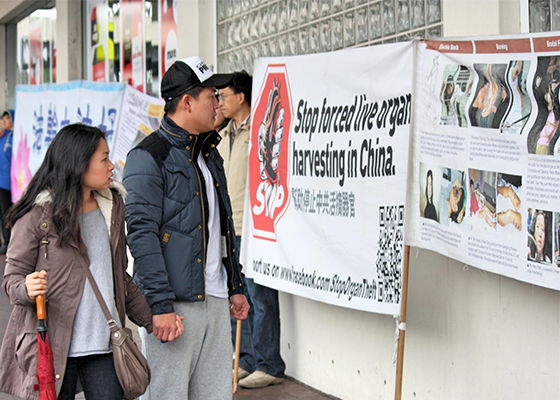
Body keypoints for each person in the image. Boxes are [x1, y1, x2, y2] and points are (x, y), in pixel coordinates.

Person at [0, 124, 183, 399]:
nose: (112, 166)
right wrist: (27, 287)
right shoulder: (38, 215)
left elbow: (118, 277)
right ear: (79, 164)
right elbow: (11, 279)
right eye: (104, 158)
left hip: (105, 346)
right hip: (55, 348)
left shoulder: (112, 208)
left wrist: (153, 319)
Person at [123, 56, 250, 400]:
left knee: (215, 394)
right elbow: (141, 235)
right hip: (175, 305)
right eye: (213, 96)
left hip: (216, 296)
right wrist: (160, 306)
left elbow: (221, 227)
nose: (219, 104)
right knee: (168, 395)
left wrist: (235, 285)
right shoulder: (149, 156)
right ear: (187, 101)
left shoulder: (209, 154)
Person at [218, 70, 286, 388]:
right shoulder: (224, 133)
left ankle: (268, 363)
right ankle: (244, 359)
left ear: (240, 97)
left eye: (224, 96)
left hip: (255, 225)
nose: (219, 102)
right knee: (237, 295)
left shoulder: (259, 131)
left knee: (260, 296)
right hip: (230, 228)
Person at [0, 110, 14, 254]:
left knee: (6, 213)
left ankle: (7, 241)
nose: (4, 121)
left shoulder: (14, 137)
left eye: (7, 118)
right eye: (2, 119)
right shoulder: (2, 136)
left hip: (7, 183)